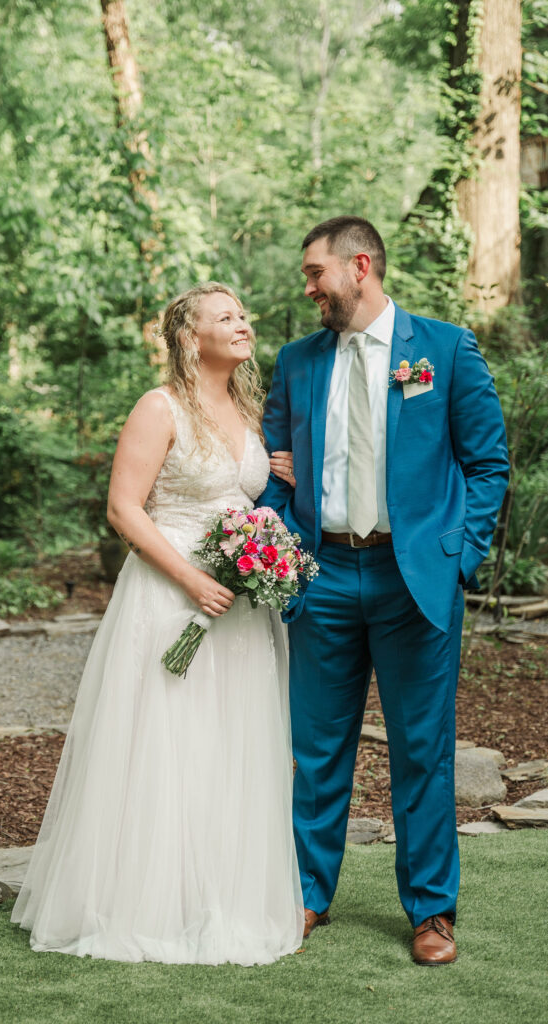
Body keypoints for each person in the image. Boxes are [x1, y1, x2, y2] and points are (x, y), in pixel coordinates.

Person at [12, 282, 304, 965]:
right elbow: (124, 509)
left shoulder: (251, 410)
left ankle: (218, 900)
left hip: (236, 609)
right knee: (165, 746)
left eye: (243, 315)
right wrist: (193, 579)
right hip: (171, 597)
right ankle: (143, 905)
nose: (242, 324)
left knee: (228, 749)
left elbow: (247, 492)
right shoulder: (158, 406)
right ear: (187, 335)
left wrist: (278, 475)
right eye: (225, 316)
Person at [261, 216, 508, 965]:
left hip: (416, 581)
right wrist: (281, 555)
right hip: (324, 576)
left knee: (422, 752)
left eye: (315, 274)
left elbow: (488, 462)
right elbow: (269, 469)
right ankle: (306, 895)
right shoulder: (296, 362)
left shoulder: (443, 348)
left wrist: (459, 555)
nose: (308, 289)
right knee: (316, 748)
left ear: (358, 265)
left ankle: (431, 912)